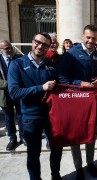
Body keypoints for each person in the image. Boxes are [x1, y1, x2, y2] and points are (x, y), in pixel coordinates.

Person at [8, 32, 63, 180]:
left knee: (57, 148)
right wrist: (41, 87)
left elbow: (63, 84)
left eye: (45, 44)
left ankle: (55, 174)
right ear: (32, 42)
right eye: (38, 42)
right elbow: (14, 93)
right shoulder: (17, 64)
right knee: (33, 154)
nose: (40, 46)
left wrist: (83, 85)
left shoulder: (51, 66)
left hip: (51, 116)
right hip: (30, 117)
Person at [59, 24, 97, 179]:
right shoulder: (71, 53)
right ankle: (78, 167)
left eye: (94, 38)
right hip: (74, 100)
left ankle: (90, 163)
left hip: (90, 101)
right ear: (83, 36)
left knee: (90, 132)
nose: (91, 40)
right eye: (88, 37)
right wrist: (79, 83)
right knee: (75, 135)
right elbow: (61, 77)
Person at [0, 40, 24, 151]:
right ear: (0, 50)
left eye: (10, 47)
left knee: (21, 115)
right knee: (9, 118)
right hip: (4, 95)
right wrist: (11, 84)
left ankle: (23, 137)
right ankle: (12, 138)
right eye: (6, 48)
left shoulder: (18, 58)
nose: (9, 49)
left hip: (19, 93)